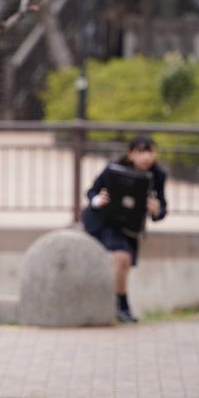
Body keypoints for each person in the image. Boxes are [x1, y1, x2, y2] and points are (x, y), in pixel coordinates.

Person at [83, 135, 167, 323]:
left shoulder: (158, 175)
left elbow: (162, 209)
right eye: (141, 152)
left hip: (131, 226)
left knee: (125, 263)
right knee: (122, 258)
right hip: (105, 221)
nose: (146, 157)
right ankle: (121, 306)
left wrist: (156, 210)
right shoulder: (113, 169)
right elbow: (91, 192)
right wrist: (98, 199)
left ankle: (120, 306)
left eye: (150, 152)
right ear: (130, 154)